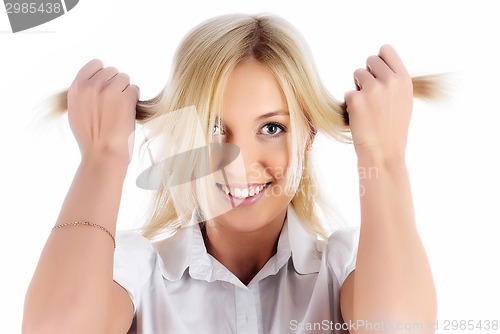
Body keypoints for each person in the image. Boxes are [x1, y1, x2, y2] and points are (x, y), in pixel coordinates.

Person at [22, 13, 442, 334]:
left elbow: (399, 327)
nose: (239, 165)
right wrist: (103, 159)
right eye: (212, 127)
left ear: (308, 137)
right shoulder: (129, 272)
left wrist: (383, 157)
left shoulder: (349, 266)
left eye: (272, 128)